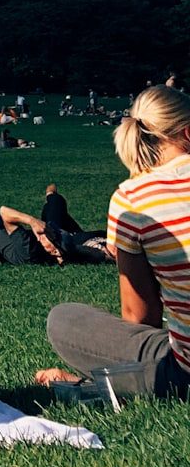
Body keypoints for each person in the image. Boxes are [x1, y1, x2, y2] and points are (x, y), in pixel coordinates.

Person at [38, 86, 190, 397]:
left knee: (63, 320)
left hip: (184, 371)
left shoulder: (132, 200)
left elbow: (138, 317)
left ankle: (97, 388)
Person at [0, 185, 108, 266]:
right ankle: (51, 194)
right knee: (56, 203)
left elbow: (4, 211)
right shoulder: (65, 248)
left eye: (47, 235)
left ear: (54, 251)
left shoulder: (25, 247)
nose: (44, 231)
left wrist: (32, 221)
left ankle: (52, 194)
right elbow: (98, 255)